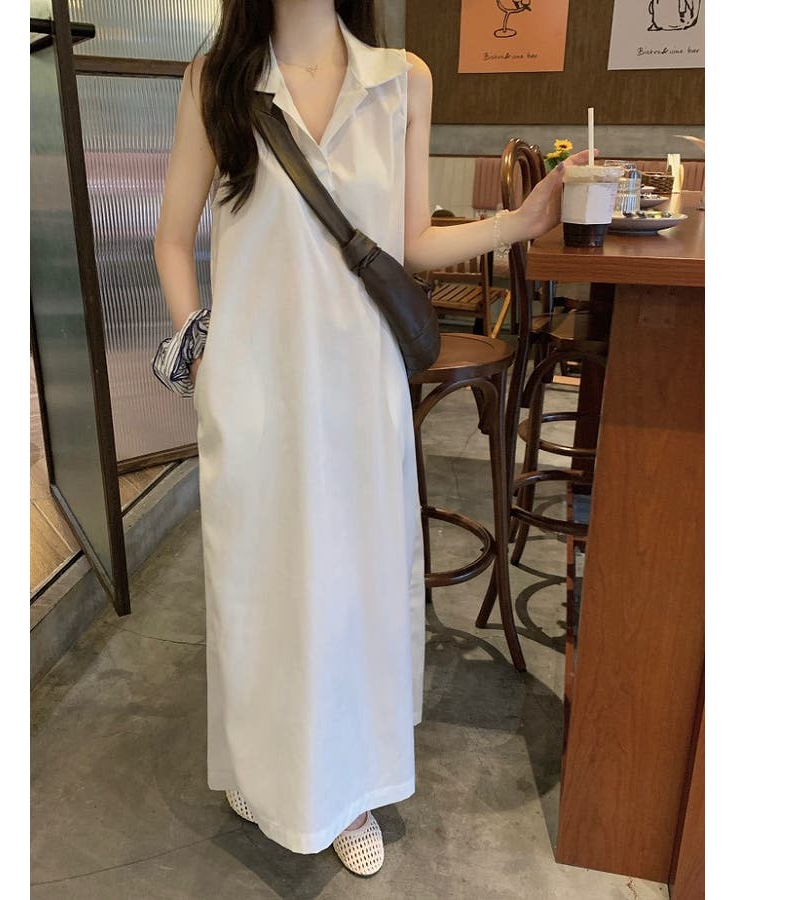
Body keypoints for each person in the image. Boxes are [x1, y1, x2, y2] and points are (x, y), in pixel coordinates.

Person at [154, 0, 590, 877]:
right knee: (258, 597)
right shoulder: (216, 82)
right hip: (257, 398)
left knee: (354, 599)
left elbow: (409, 243)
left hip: (360, 394)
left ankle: (347, 787)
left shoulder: (401, 82)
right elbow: (171, 240)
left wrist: (521, 222)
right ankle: (261, 770)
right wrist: (207, 363)